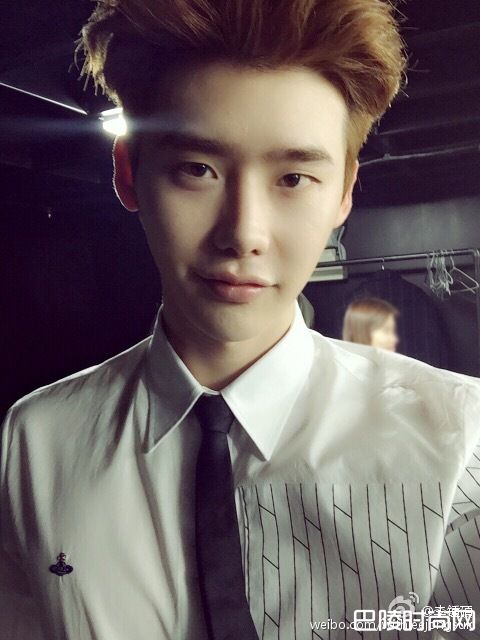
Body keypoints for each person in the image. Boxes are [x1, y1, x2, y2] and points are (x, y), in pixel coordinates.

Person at [1, 1, 479, 639]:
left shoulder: (459, 441)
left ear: (344, 192)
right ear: (129, 173)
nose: (243, 234)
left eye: (294, 177)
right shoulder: (35, 440)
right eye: (197, 169)